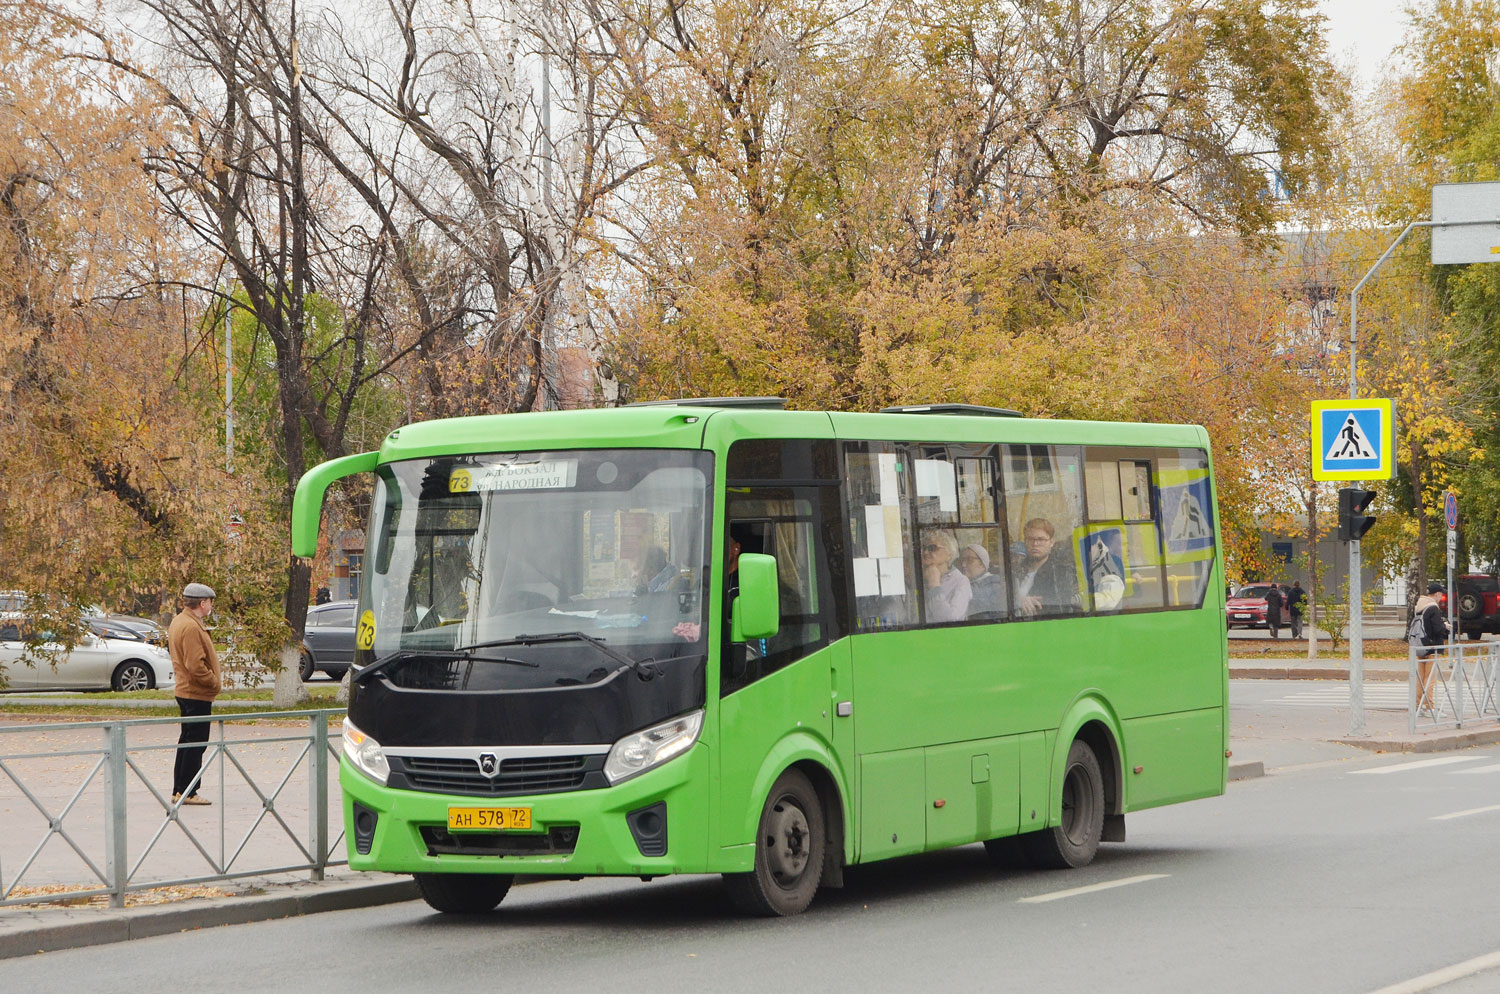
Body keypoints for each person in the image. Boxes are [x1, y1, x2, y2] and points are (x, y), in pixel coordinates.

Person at [168, 582, 221, 806]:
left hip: (188, 691)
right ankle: (188, 791)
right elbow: (195, 665)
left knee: (188, 742)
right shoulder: (190, 626)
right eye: (210, 602)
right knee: (195, 745)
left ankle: (180, 790)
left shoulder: (183, 620)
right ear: (202, 603)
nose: (211, 605)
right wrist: (213, 682)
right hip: (195, 693)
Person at [1013, 518, 1080, 616]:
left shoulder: (1060, 572)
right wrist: (1018, 600)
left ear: (1051, 542)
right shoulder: (1016, 570)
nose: (1035, 544)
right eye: (1030, 539)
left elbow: (1061, 607)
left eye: (1041, 539)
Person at [1411, 583, 1450, 716]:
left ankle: (1419, 705)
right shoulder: (1433, 608)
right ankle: (1429, 707)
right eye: (1441, 594)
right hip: (1432, 647)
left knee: (1421, 677)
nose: (1441, 597)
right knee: (1430, 678)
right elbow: (1437, 629)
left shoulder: (1420, 607)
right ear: (1437, 594)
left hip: (1421, 645)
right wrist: (1445, 626)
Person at [921, 530, 971, 622]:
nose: (925, 552)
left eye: (932, 548)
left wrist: (934, 585)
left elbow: (949, 620)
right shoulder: (919, 577)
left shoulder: (961, 581)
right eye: (924, 548)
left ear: (949, 554)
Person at [957, 543, 1007, 618]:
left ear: (982, 564)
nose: (963, 564)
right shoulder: (961, 582)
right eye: (962, 560)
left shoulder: (995, 583)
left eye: (969, 560)